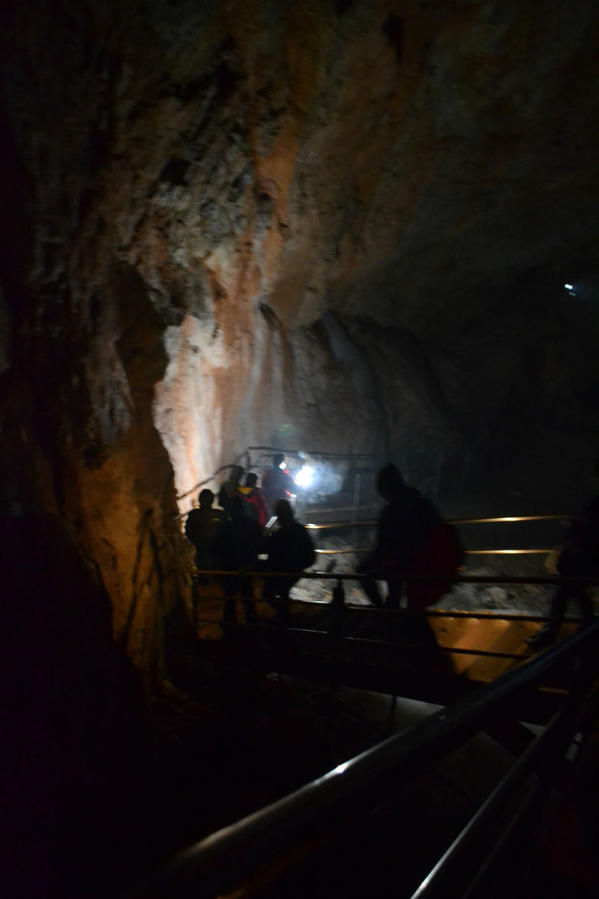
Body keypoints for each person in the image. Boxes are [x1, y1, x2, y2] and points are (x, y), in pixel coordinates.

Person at [527, 486, 599, 649]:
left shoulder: (594, 504)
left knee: (563, 597)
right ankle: (587, 630)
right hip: (583, 561)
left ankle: (549, 636)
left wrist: (574, 538)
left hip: (581, 560)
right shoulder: (594, 503)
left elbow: (584, 527)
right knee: (578, 597)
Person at [261, 499, 316, 623]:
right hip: (295, 569)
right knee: (282, 591)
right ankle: (285, 615)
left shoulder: (279, 535)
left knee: (268, 592)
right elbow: (310, 554)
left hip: (283, 572)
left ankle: (285, 615)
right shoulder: (300, 530)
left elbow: (271, 554)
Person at [213, 496, 262, 624]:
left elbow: (216, 549)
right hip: (247, 568)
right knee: (248, 598)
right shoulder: (252, 526)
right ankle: (252, 624)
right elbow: (260, 545)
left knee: (230, 600)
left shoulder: (224, 529)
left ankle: (229, 627)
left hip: (230, 570)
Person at [184, 488, 227, 573]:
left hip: (212, 549)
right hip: (204, 549)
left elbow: (188, 531)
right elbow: (189, 531)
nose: (206, 500)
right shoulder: (219, 515)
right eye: (205, 498)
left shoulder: (219, 515)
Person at [261, 453, 295, 517]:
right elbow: (293, 488)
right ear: (281, 462)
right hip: (281, 505)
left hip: (269, 504)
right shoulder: (284, 475)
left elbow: (264, 487)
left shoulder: (268, 474)